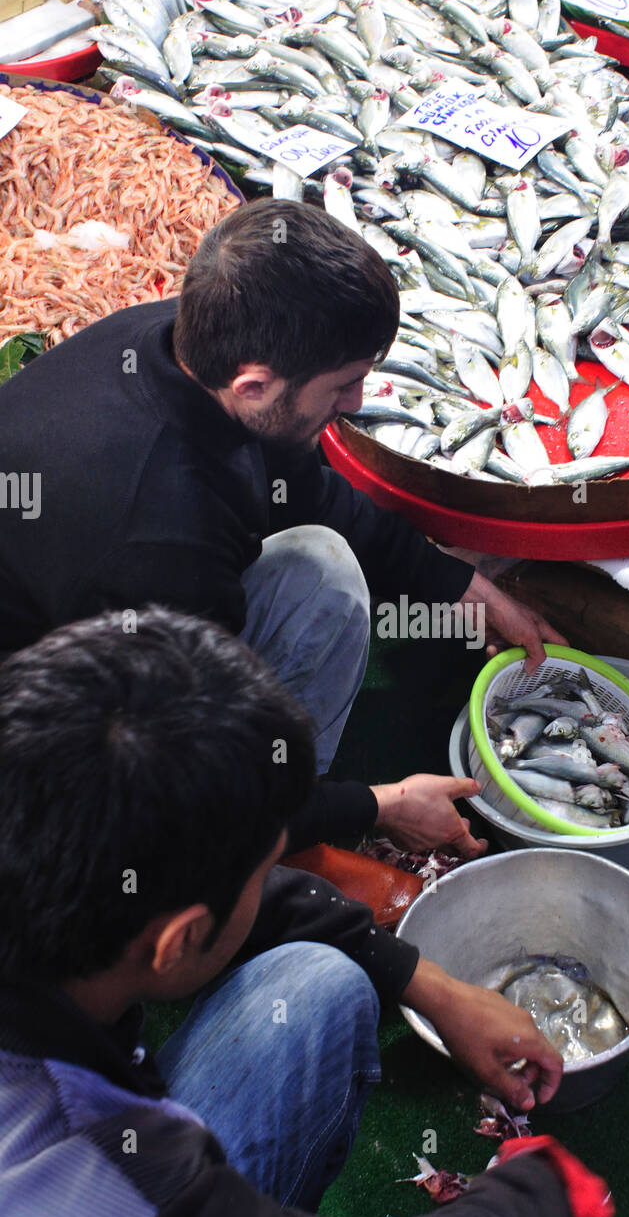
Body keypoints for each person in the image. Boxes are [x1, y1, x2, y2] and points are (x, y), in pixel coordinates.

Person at [0, 608, 613, 1217]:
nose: (272, 881)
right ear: (176, 940)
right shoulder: (105, 1205)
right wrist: (532, 1211)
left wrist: (430, 986)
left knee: (320, 984)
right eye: (265, 867)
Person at [0, 198, 566, 861]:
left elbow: (305, 490)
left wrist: (455, 582)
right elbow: (182, 769)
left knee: (321, 562)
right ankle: (274, 848)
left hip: (99, 605)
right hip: (41, 745)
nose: (358, 403)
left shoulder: (177, 340)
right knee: (187, 812)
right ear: (255, 386)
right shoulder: (161, 545)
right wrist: (376, 808)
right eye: (345, 385)